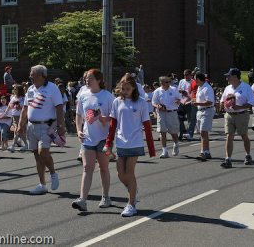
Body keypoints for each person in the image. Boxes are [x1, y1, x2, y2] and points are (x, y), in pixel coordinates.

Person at [104, 73, 153, 216]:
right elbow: (113, 125)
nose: (124, 91)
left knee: (129, 173)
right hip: (121, 142)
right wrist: (108, 143)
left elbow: (147, 125)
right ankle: (133, 187)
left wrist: (151, 147)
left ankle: (131, 204)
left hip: (135, 141)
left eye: (127, 89)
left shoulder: (141, 102)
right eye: (122, 88)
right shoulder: (116, 102)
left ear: (133, 88)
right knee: (120, 174)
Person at [17, 65, 65, 195]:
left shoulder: (52, 88)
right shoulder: (31, 89)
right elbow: (25, 109)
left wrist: (61, 126)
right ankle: (42, 184)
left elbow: (59, 107)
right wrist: (20, 125)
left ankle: (53, 173)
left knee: (43, 152)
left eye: (32, 75)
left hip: (47, 126)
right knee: (36, 155)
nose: (30, 77)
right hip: (31, 126)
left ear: (40, 76)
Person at [71, 69, 114, 211]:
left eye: (90, 79)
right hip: (88, 138)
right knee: (87, 168)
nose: (86, 81)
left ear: (98, 80)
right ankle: (82, 200)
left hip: (103, 138)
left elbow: (115, 118)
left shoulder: (107, 96)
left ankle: (106, 197)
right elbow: (79, 115)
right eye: (86, 79)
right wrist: (78, 130)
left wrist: (103, 119)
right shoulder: (83, 95)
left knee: (103, 168)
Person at [220, 68, 254, 168]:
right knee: (229, 136)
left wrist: (239, 107)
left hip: (241, 114)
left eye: (229, 76)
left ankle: (248, 155)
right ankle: (228, 159)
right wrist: (224, 104)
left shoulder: (246, 87)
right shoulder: (228, 88)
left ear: (235, 77)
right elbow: (223, 100)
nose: (227, 78)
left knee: (244, 136)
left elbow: (251, 103)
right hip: (229, 115)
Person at [152, 76, 181, 158]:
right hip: (161, 114)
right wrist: (158, 106)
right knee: (162, 131)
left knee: (173, 132)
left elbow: (180, 98)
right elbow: (153, 103)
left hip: (172, 113)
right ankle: (164, 151)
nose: (169, 83)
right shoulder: (157, 91)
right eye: (167, 82)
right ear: (161, 83)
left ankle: (176, 144)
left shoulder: (174, 89)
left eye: (169, 81)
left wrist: (178, 101)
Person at [192, 72, 215, 161]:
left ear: (198, 79)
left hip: (207, 111)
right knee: (203, 133)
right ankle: (207, 152)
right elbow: (200, 99)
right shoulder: (200, 87)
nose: (194, 81)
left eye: (195, 79)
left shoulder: (207, 88)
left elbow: (209, 102)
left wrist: (197, 103)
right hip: (200, 111)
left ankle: (202, 152)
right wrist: (193, 100)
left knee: (203, 132)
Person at [9, 85, 28, 152]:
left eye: (15, 89)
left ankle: (13, 145)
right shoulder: (13, 97)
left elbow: (25, 107)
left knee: (17, 130)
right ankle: (25, 144)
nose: (14, 90)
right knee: (17, 130)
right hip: (14, 115)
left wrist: (19, 107)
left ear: (19, 90)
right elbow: (10, 105)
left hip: (21, 116)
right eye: (14, 89)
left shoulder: (23, 98)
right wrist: (5, 113)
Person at [177, 69, 194, 140]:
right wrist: (181, 91)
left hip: (189, 102)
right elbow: (178, 89)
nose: (185, 76)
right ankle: (181, 131)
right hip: (182, 101)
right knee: (179, 117)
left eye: (187, 75)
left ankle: (189, 133)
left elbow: (193, 92)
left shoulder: (193, 82)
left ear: (190, 75)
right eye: (184, 75)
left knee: (190, 119)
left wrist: (188, 93)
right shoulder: (181, 81)